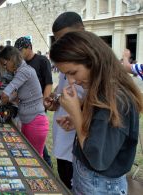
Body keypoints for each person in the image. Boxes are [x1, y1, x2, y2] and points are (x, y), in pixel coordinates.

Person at [50, 30, 143, 194]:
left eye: (73, 73)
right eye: (66, 75)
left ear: (93, 61)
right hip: (88, 179)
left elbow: (97, 157)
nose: (71, 81)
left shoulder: (116, 99)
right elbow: (101, 130)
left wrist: (76, 115)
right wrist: (83, 119)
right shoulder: (102, 90)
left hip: (100, 186)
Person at [43, 11, 85, 189]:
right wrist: (56, 100)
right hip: (64, 136)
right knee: (65, 180)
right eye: (58, 40)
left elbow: (88, 98)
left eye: (74, 73)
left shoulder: (92, 63)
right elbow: (65, 92)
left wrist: (75, 107)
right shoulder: (67, 60)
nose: (72, 80)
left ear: (81, 31)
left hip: (81, 146)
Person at [0, 46, 49, 157]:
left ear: (12, 59)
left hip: (35, 121)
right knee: (28, 155)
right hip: (28, 120)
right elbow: (15, 94)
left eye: (5, 64)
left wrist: (1, 105)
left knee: (35, 158)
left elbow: (6, 93)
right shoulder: (22, 70)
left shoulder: (24, 71)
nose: (5, 68)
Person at [15, 37, 53, 167]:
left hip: (38, 108)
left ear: (29, 47)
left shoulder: (42, 60)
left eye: (21, 50)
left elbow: (48, 83)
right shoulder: (22, 65)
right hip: (25, 108)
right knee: (31, 140)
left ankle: (47, 165)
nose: (19, 54)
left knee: (37, 141)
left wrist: (43, 103)